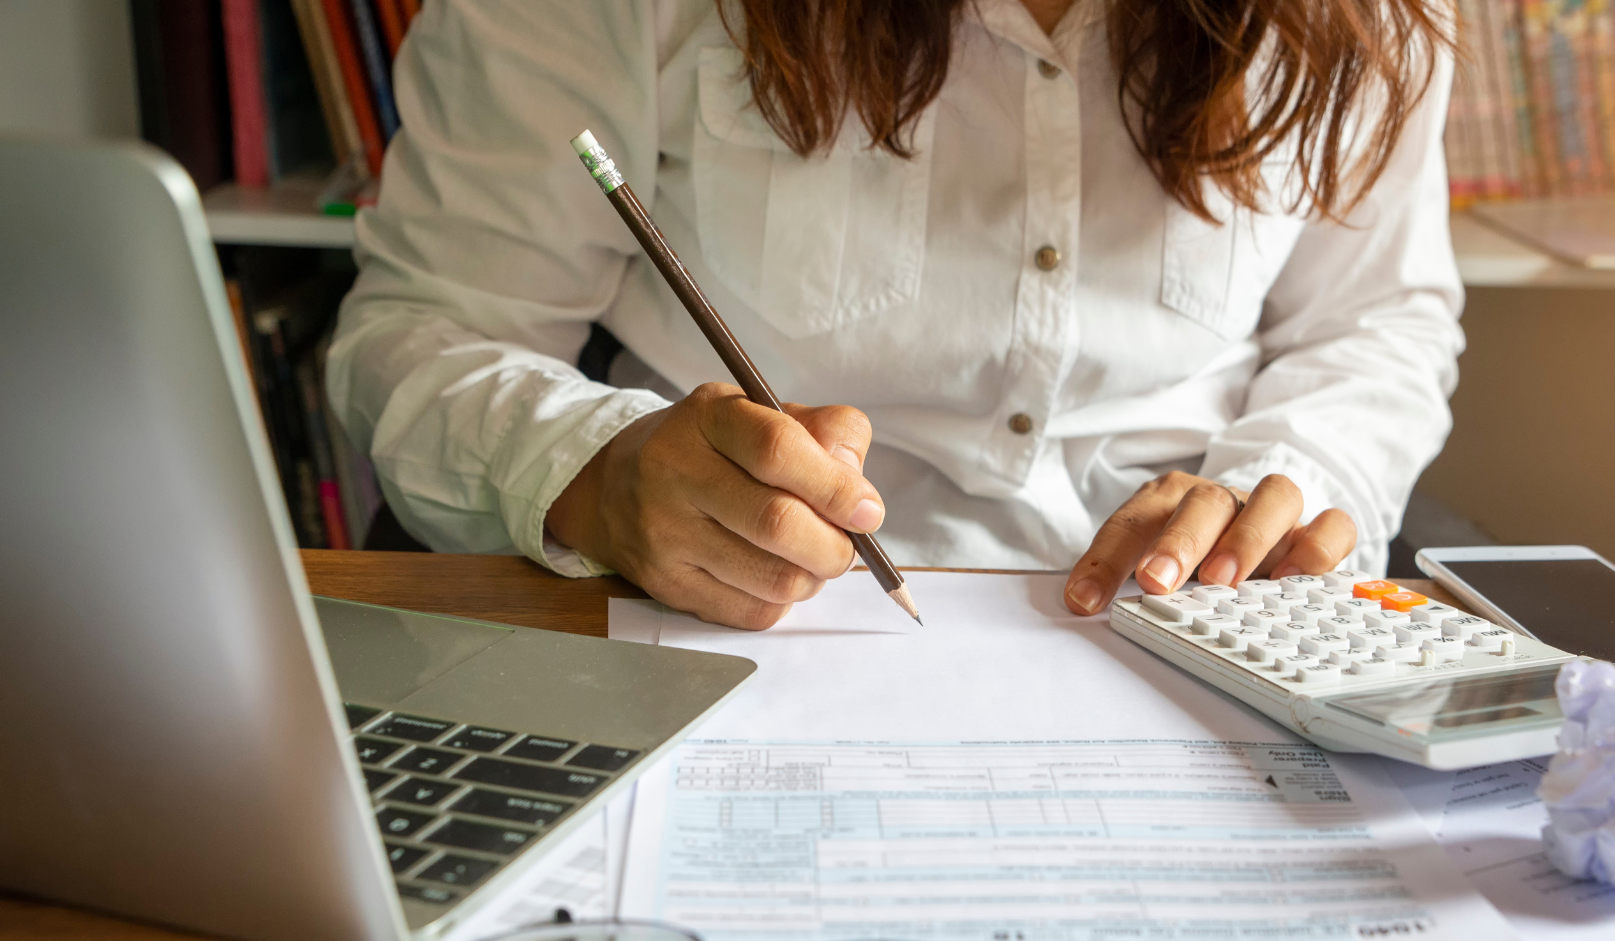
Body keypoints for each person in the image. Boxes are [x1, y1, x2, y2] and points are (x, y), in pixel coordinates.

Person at [328, 0, 1461, 630]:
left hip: (1197, 640)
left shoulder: (1358, 22)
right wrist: (596, 475)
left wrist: (1285, 488)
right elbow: (430, 326)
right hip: (715, 633)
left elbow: (1376, 325)